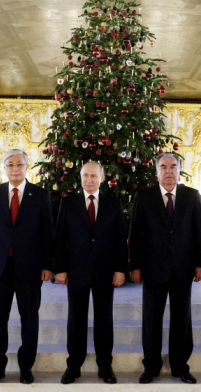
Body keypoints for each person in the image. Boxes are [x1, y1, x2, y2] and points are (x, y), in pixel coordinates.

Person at [129, 152, 201, 385]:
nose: (169, 171)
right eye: (164, 167)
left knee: (182, 320)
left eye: (173, 167)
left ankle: (180, 366)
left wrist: (200, 264)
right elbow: (135, 234)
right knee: (151, 319)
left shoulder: (191, 196)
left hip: (183, 268)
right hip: (153, 269)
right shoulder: (144, 196)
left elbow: (198, 232)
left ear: (179, 170)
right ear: (157, 171)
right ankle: (151, 367)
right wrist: (135, 266)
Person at [0, 149, 54, 385]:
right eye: (10, 165)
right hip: (0, 267)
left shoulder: (40, 195)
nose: (15, 169)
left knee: (29, 318)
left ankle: (25, 367)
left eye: (19, 164)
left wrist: (47, 265)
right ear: (4, 168)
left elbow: (47, 233)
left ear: (26, 167)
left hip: (30, 268)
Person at [53, 161, 128, 384]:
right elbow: (60, 238)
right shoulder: (68, 203)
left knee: (104, 320)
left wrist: (120, 269)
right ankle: (73, 366)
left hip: (106, 272)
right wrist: (60, 269)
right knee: (75, 319)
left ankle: (105, 366)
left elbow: (120, 241)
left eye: (93, 176)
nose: (89, 180)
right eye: (85, 175)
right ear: (80, 177)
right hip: (76, 271)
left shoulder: (113, 203)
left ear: (102, 178)